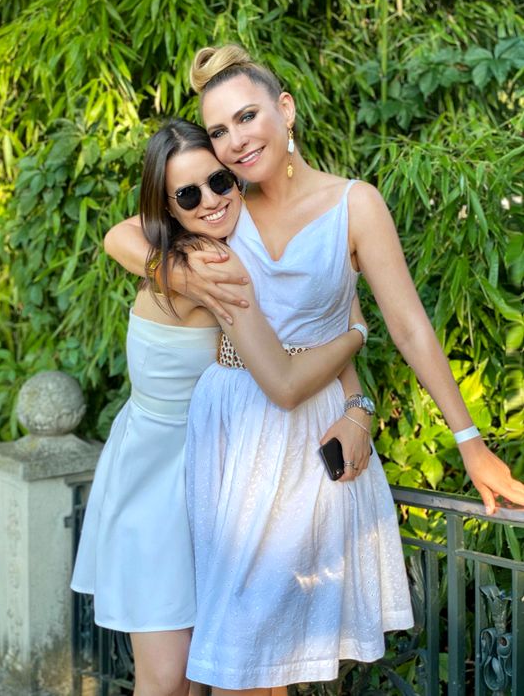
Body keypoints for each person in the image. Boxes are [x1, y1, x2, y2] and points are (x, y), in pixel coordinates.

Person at [106, 45, 524, 694]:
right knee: (237, 665)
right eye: (219, 130)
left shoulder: (354, 205)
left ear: (286, 108)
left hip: (306, 441)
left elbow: (408, 327)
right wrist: (181, 270)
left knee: (260, 665)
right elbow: (124, 233)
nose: (235, 141)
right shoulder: (221, 207)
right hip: (227, 440)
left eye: (247, 116)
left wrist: (464, 440)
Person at [72, 118, 367, 696]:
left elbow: (306, 333)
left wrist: (356, 399)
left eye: (219, 182)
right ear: (168, 208)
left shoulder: (225, 247)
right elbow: (289, 377)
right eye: (188, 194)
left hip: (215, 471)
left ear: (236, 177)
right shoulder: (209, 263)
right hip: (160, 480)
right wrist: (357, 334)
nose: (209, 200)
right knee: (171, 680)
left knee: (219, 672)